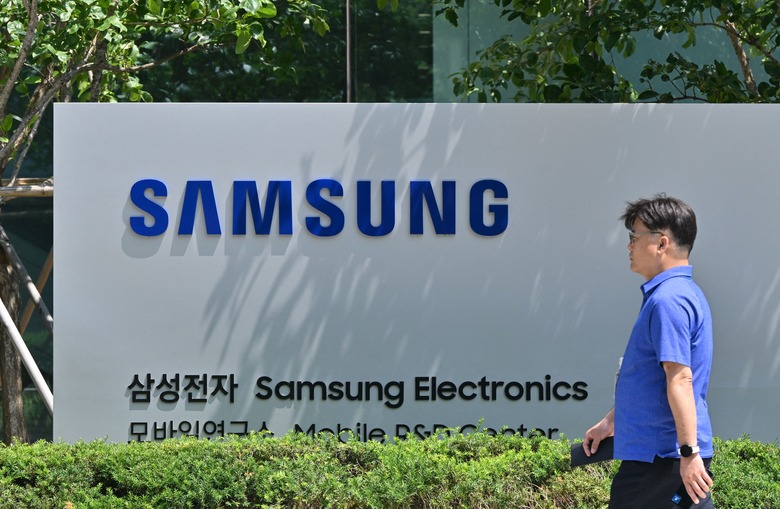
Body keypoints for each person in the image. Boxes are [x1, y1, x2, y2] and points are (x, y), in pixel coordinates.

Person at [583, 194, 715, 508]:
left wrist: (688, 453)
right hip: (664, 459)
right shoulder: (680, 293)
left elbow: (680, 379)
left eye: (634, 237)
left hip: (661, 461)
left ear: (661, 243)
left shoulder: (668, 300)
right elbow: (652, 379)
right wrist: (612, 421)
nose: (629, 246)